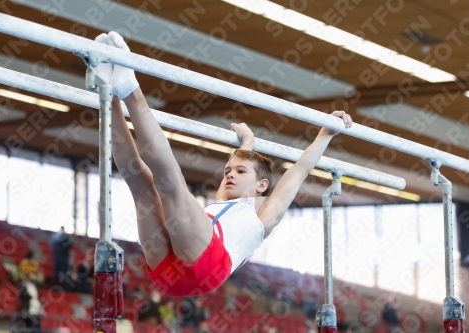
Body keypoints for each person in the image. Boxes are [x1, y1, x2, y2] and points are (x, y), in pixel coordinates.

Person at [93, 32, 352, 297]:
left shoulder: (263, 218)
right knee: (141, 184)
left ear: (262, 185)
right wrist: (248, 142)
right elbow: (240, 165)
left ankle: (131, 91)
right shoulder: (221, 199)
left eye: (239, 172)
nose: (229, 175)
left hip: (207, 266)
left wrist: (325, 133)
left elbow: (300, 170)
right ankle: (110, 93)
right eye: (228, 171)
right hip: (176, 270)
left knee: (170, 183)